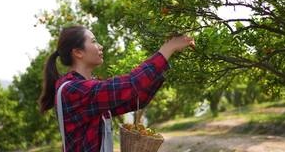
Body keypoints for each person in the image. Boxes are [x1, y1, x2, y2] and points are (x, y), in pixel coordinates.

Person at [38, 25, 195, 152]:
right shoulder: (73, 90)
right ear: (78, 52)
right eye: (93, 41)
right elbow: (131, 83)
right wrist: (168, 48)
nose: (100, 46)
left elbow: (136, 99)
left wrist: (165, 60)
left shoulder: (86, 88)